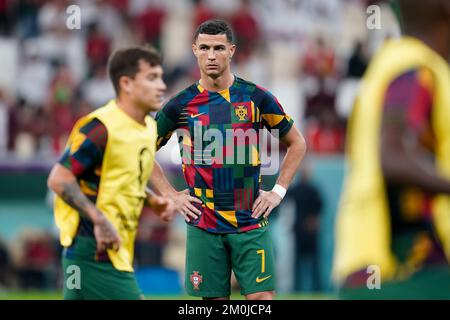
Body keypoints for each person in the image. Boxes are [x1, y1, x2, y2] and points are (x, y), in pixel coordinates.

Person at [151, 19, 307, 300]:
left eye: (219, 48)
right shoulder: (180, 105)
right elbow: (140, 151)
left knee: (262, 300)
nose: (212, 55)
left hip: (250, 219)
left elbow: (297, 143)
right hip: (204, 223)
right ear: (194, 50)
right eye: (205, 48)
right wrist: (171, 194)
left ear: (232, 50)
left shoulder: (255, 98)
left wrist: (278, 192)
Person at [333, 0, 450, 299]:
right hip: (403, 272)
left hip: (367, 269)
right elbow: (393, 155)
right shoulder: (416, 69)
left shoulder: (389, 65)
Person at [47, 46, 175, 300]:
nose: (161, 86)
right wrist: (99, 220)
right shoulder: (101, 127)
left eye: (161, 77)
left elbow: (124, 180)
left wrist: (152, 200)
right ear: (126, 83)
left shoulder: (149, 128)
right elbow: (59, 179)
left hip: (111, 248)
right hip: (95, 250)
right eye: (151, 78)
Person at [287, 164, 323, 292]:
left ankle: (315, 289)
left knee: (312, 264)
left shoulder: (312, 189)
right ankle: (299, 289)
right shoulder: (305, 189)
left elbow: (319, 208)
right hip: (302, 231)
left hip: (307, 231)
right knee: (302, 264)